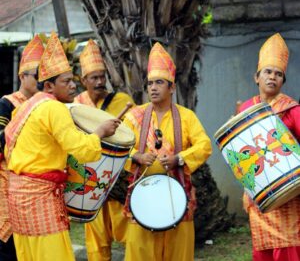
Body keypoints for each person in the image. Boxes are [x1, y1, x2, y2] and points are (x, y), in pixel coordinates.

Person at [4, 32, 121, 261]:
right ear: (48, 85)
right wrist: (100, 132)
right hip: (40, 198)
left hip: (19, 199)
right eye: (66, 81)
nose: (72, 86)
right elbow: (82, 149)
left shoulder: (27, 106)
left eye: (73, 80)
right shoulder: (54, 108)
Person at [123, 42, 212, 261]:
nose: (152, 87)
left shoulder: (186, 117)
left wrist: (179, 159)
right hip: (141, 200)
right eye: (150, 83)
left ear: (171, 88)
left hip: (178, 198)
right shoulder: (135, 116)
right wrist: (137, 156)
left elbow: (204, 146)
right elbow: (116, 148)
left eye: (159, 83)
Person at [238, 33, 300, 261]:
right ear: (257, 77)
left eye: (278, 74)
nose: (272, 77)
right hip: (259, 198)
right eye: (268, 72)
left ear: (283, 80)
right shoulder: (245, 109)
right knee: (261, 252)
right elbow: (239, 153)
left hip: (288, 196)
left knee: (288, 251)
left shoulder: (292, 109)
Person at [75, 39, 134, 261]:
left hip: (117, 178)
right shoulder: (75, 105)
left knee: (129, 234)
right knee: (96, 243)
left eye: (103, 76)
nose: (100, 82)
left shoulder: (122, 101)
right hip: (89, 181)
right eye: (94, 78)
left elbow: (133, 134)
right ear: (83, 81)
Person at [0, 34, 44, 261]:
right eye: (37, 76)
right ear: (22, 76)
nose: (41, 81)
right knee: (9, 246)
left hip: (37, 185)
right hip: (10, 182)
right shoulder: (8, 103)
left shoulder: (46, 105)